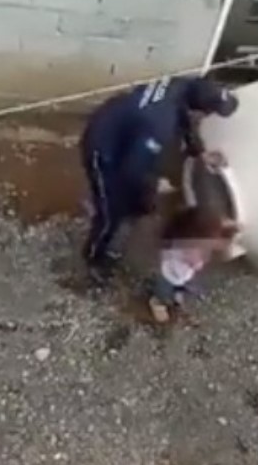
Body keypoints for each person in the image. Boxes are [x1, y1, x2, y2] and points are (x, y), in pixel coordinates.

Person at [80, 75, 239, 284]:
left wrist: (198, 152)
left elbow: (184, 120)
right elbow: (133, 171)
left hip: (122, 125)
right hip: (103, 146)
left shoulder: (183, 85)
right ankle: (94, 258)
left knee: (135, 198)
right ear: (202, 108)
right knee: (111, 210)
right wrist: (155, 186)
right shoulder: (159, 124)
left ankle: (130, 209)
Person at [148, 207, 239, 324]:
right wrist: (200, 261)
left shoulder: (194, 241)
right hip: (170, 274)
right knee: (164, 291)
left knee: (179, 285)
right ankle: (158, 303)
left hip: (179, 273)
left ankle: (176, 297)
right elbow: (195, 264)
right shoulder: (191, 249)